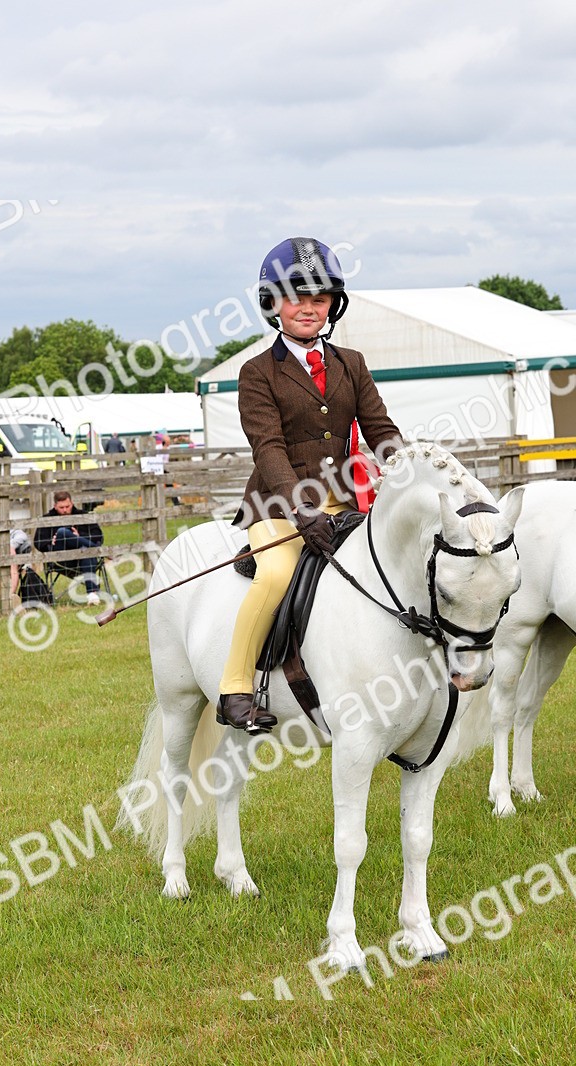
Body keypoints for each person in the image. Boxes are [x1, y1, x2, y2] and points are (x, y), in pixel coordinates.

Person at [216, 237, 403, 732]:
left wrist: (410, 472)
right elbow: (268, 448)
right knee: (276, 574)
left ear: (332, 305)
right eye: (295, 297)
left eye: (318, 298)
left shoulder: (351, 363)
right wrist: (302, 511)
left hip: (345, 503)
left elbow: (381, 430)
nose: (307, 308)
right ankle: (234, 689)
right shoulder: (256, 373)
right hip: (278, 507)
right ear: (273, 304)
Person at [33, 490, 104, 605]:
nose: (65, 510)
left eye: (67, 506)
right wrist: (51, 541)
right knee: (62, 532)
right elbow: (38, 542)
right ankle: (98, 551)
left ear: (72, 503)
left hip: (82, 557)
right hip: (61, 558)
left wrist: (79, 536)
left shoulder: (83, 515)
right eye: (61, 507)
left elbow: (98, 536)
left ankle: (92, 594)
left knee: (84, 549)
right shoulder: (46, 519)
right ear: (55, 506)